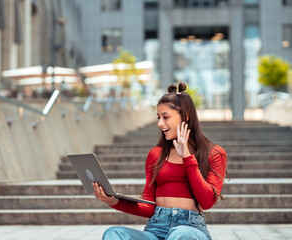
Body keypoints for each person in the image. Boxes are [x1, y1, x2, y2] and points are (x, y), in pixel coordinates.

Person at [92, 82, 227, 240]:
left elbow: (207, 202)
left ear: (186, 116)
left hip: (191, 229)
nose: (160, 123)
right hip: (156, 229)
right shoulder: (156, 154)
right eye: (158, 117)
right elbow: (149, 207)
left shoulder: (214, 153)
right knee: (113, 234)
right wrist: (114, 201)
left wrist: (188, 158)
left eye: (166, 117)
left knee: (180, 234)